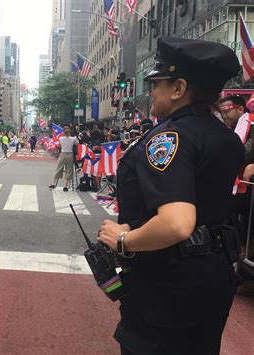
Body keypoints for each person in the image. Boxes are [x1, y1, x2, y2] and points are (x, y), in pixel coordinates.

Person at [97, 37, 244, 354]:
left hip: (168, 280)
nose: (151, 91)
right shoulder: (225, 137)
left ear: (178, 88)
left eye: (157, 83)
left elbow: (177, 224)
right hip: (216, 273)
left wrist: (124, 240)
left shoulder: (169, 138)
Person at [49, 125, 77, 191]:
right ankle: (65, 186)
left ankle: (53, 184)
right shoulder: (73, 138)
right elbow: (76, 143)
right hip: (70, 154)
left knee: (58, 168)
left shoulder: (61, 138)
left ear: (63, 132)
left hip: (63, 154)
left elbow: (59, 144)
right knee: (68, 170)